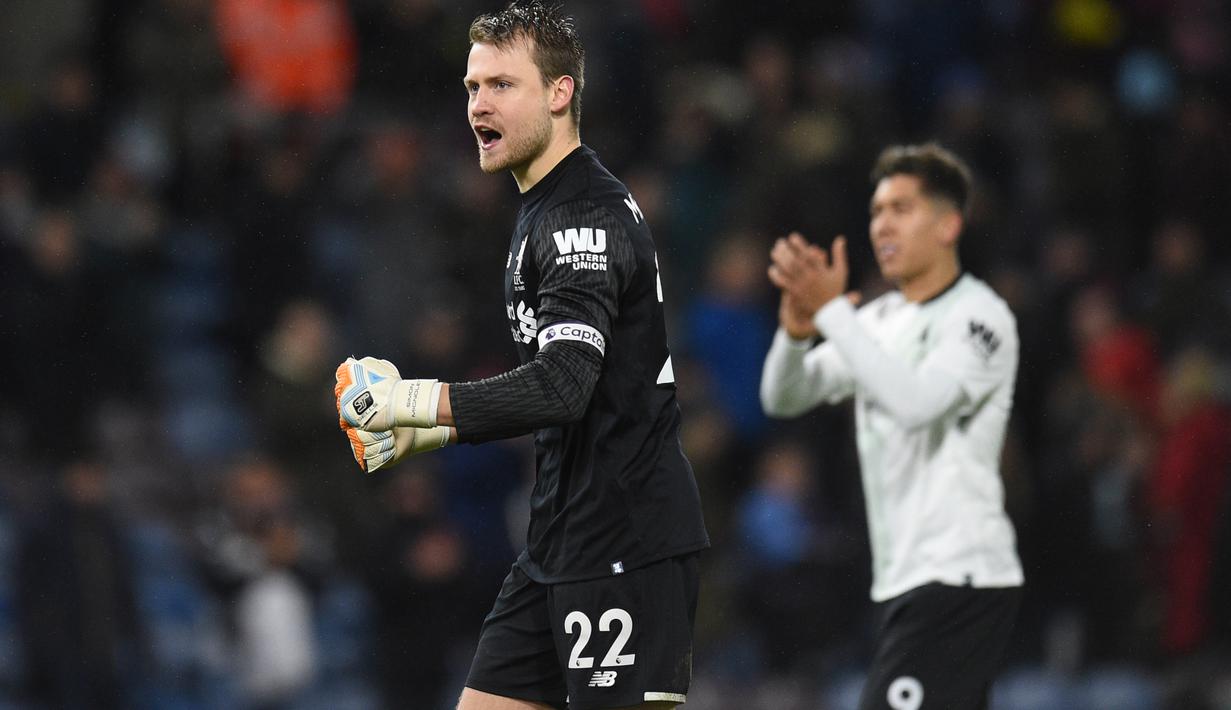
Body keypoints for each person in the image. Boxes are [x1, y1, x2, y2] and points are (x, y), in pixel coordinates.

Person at [332, 3, 709, 709]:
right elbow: (576, 394)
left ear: (559, 93)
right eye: (473, 86)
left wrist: (409, 401)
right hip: (560, 534)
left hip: (624, 538)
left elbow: (562, 387)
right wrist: (426, 432)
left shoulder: (578, 217)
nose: (479, 103)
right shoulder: (542, 207)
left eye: (502, 85)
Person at [760, 143, 1023, 710]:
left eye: (902, 209)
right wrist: (797, 331)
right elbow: (784, 396)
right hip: (908, 580)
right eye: (877, 211)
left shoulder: (980, 318)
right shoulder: (878, 321)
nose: (882, 224)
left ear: (949, 224)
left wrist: (833, 313)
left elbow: (916, 403)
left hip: (960, 577)